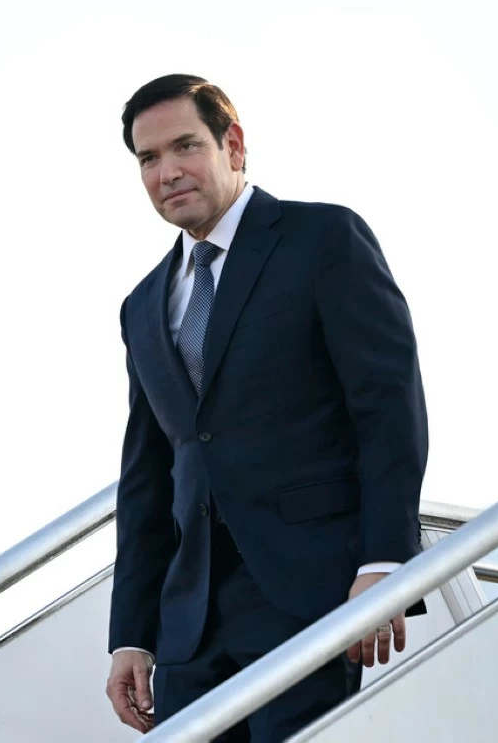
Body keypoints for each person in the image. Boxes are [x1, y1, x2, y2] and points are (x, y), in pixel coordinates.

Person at [103, 74, 428, 741]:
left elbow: (387, 406)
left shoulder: (322, 238)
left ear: (235, 145)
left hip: (313, 593)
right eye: (148, 159)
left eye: (185, 147)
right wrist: (131, 634)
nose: (168, 172)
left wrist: (385, 564)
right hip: (190, 623)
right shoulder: (141, 307)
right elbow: (146, 479)